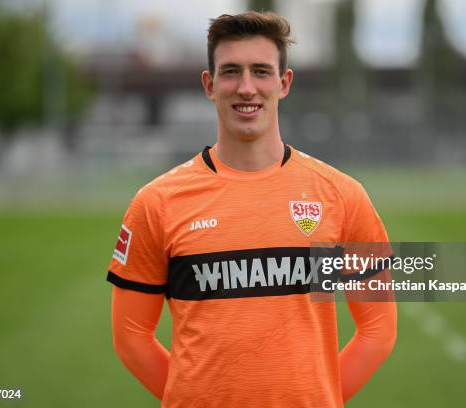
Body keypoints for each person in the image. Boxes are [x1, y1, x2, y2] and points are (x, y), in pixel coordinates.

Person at [107, 11, 396, 408]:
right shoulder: (156, 202)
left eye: (261, 71)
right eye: (231, 72)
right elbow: (131, 336)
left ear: (284, 82)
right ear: (209, 85)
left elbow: (378, 329)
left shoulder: (343, 195)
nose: (246, 88)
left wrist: (318, 399)